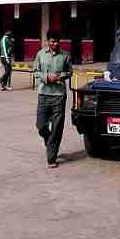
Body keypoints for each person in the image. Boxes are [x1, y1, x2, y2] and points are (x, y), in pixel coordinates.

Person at [33, 30, 72, 168]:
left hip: (59, 96)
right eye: (52, 41)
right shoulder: (40, 54)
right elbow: (35, 72)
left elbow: (70, 71)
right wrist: (47, 77)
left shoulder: (65, 55)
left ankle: (51, 157)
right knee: (40, 126)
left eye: (57, 42)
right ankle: (50, 142)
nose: (55, 44)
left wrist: (60, 76)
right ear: (47, 41)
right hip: (43, 95)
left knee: (56, 128)